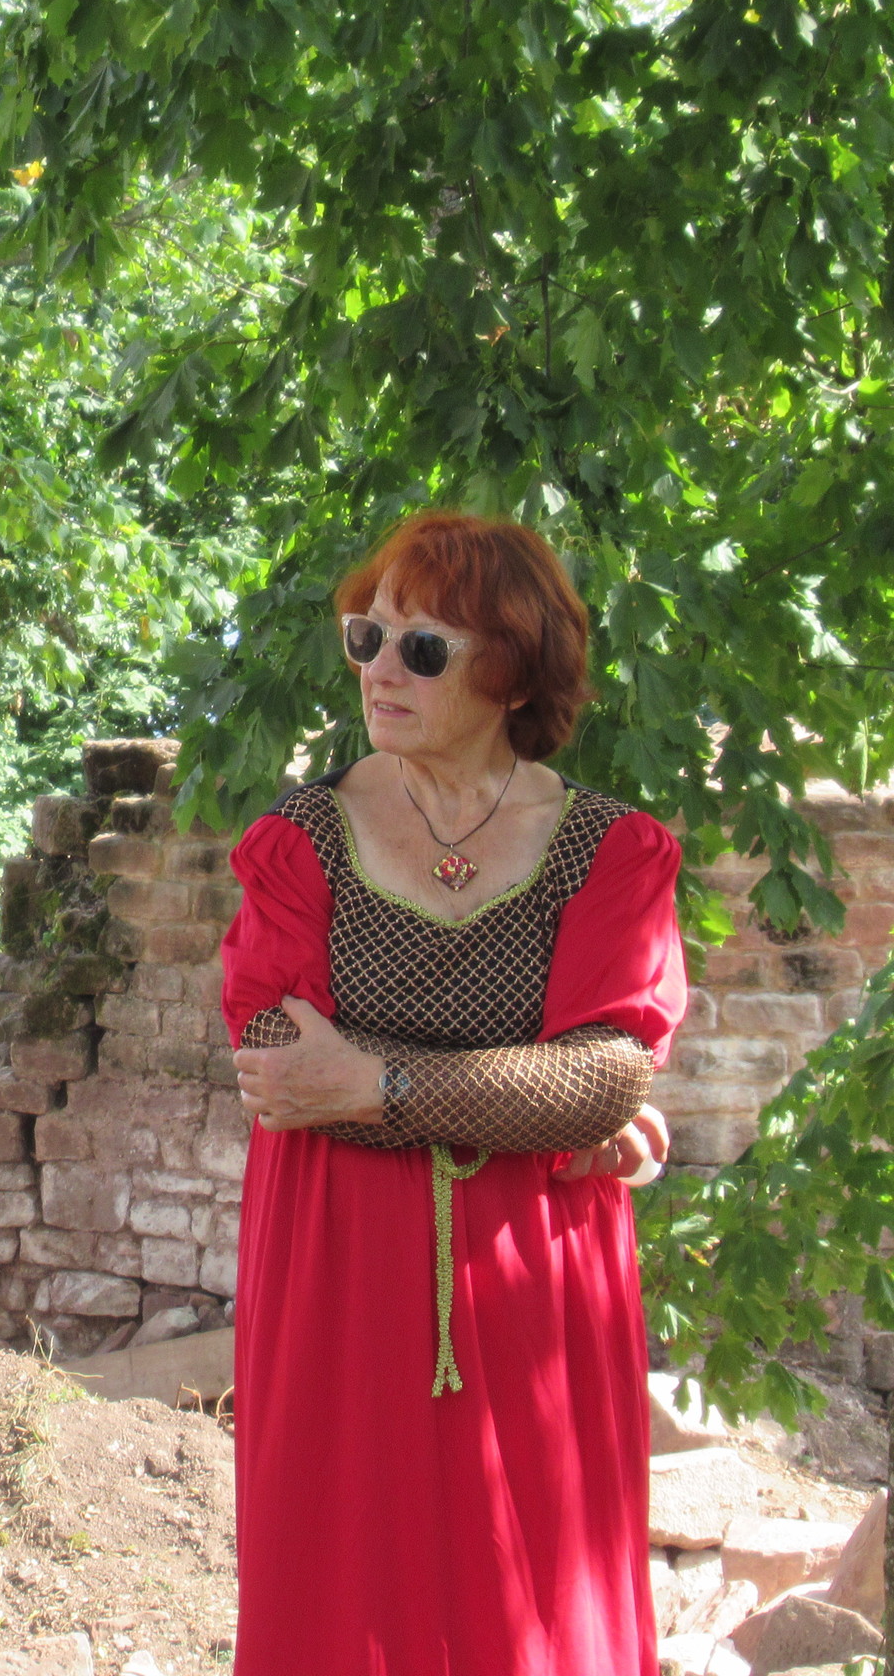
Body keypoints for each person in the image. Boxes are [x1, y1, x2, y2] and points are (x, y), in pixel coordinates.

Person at [220, 510, 683, 1676]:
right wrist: (521, 1092)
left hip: (534, 1282)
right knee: (340, 1591)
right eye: (366, 636)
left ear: (512, 671)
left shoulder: (609, 850)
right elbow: (276, 1056)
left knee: (533, 1600)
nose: (380, 668)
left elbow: (603, 1075)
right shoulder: (300, 840)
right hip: (339, 1277)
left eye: (422, 648)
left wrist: (373, 1081)